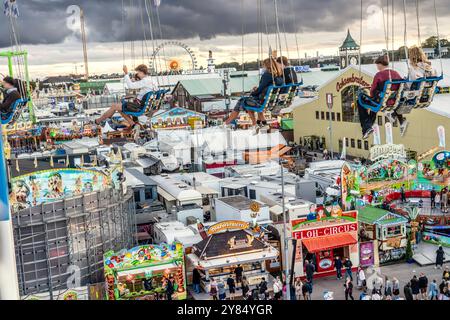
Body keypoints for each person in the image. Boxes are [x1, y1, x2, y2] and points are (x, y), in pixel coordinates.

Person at [224, 57, 283, 133]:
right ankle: (256, 124)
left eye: (264, 65)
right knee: (247, 102)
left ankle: (227, 123)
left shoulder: (267, 75)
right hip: (269, 101)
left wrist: (253, 92)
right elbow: (264, 87)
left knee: (242, 101)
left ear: (267, 66)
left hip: (261, 101)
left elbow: (260, 89)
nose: (263, 67)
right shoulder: (279, 76)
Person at [95, 64, 157, 129]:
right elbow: (145, 92)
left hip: (140, 107)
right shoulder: (152, 80)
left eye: (138, 73)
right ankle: (133, 125)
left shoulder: (145, 81)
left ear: (141, 72)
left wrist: (126, 73)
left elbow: (131, 86)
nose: (137, 74)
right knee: (119, 108)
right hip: (145, 106)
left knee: (114, 106)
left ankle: (98, 121)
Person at [357, 55, 403, 139]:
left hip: (381, 101)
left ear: (380, 64)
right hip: (393, 100)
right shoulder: (395, 73)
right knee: (374, 104)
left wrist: (372, 95)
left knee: (361, 100)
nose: (377, 67)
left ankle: (367, 127)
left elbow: (373, 90)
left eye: (377, 65)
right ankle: (367, 128)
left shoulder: (379, 75)